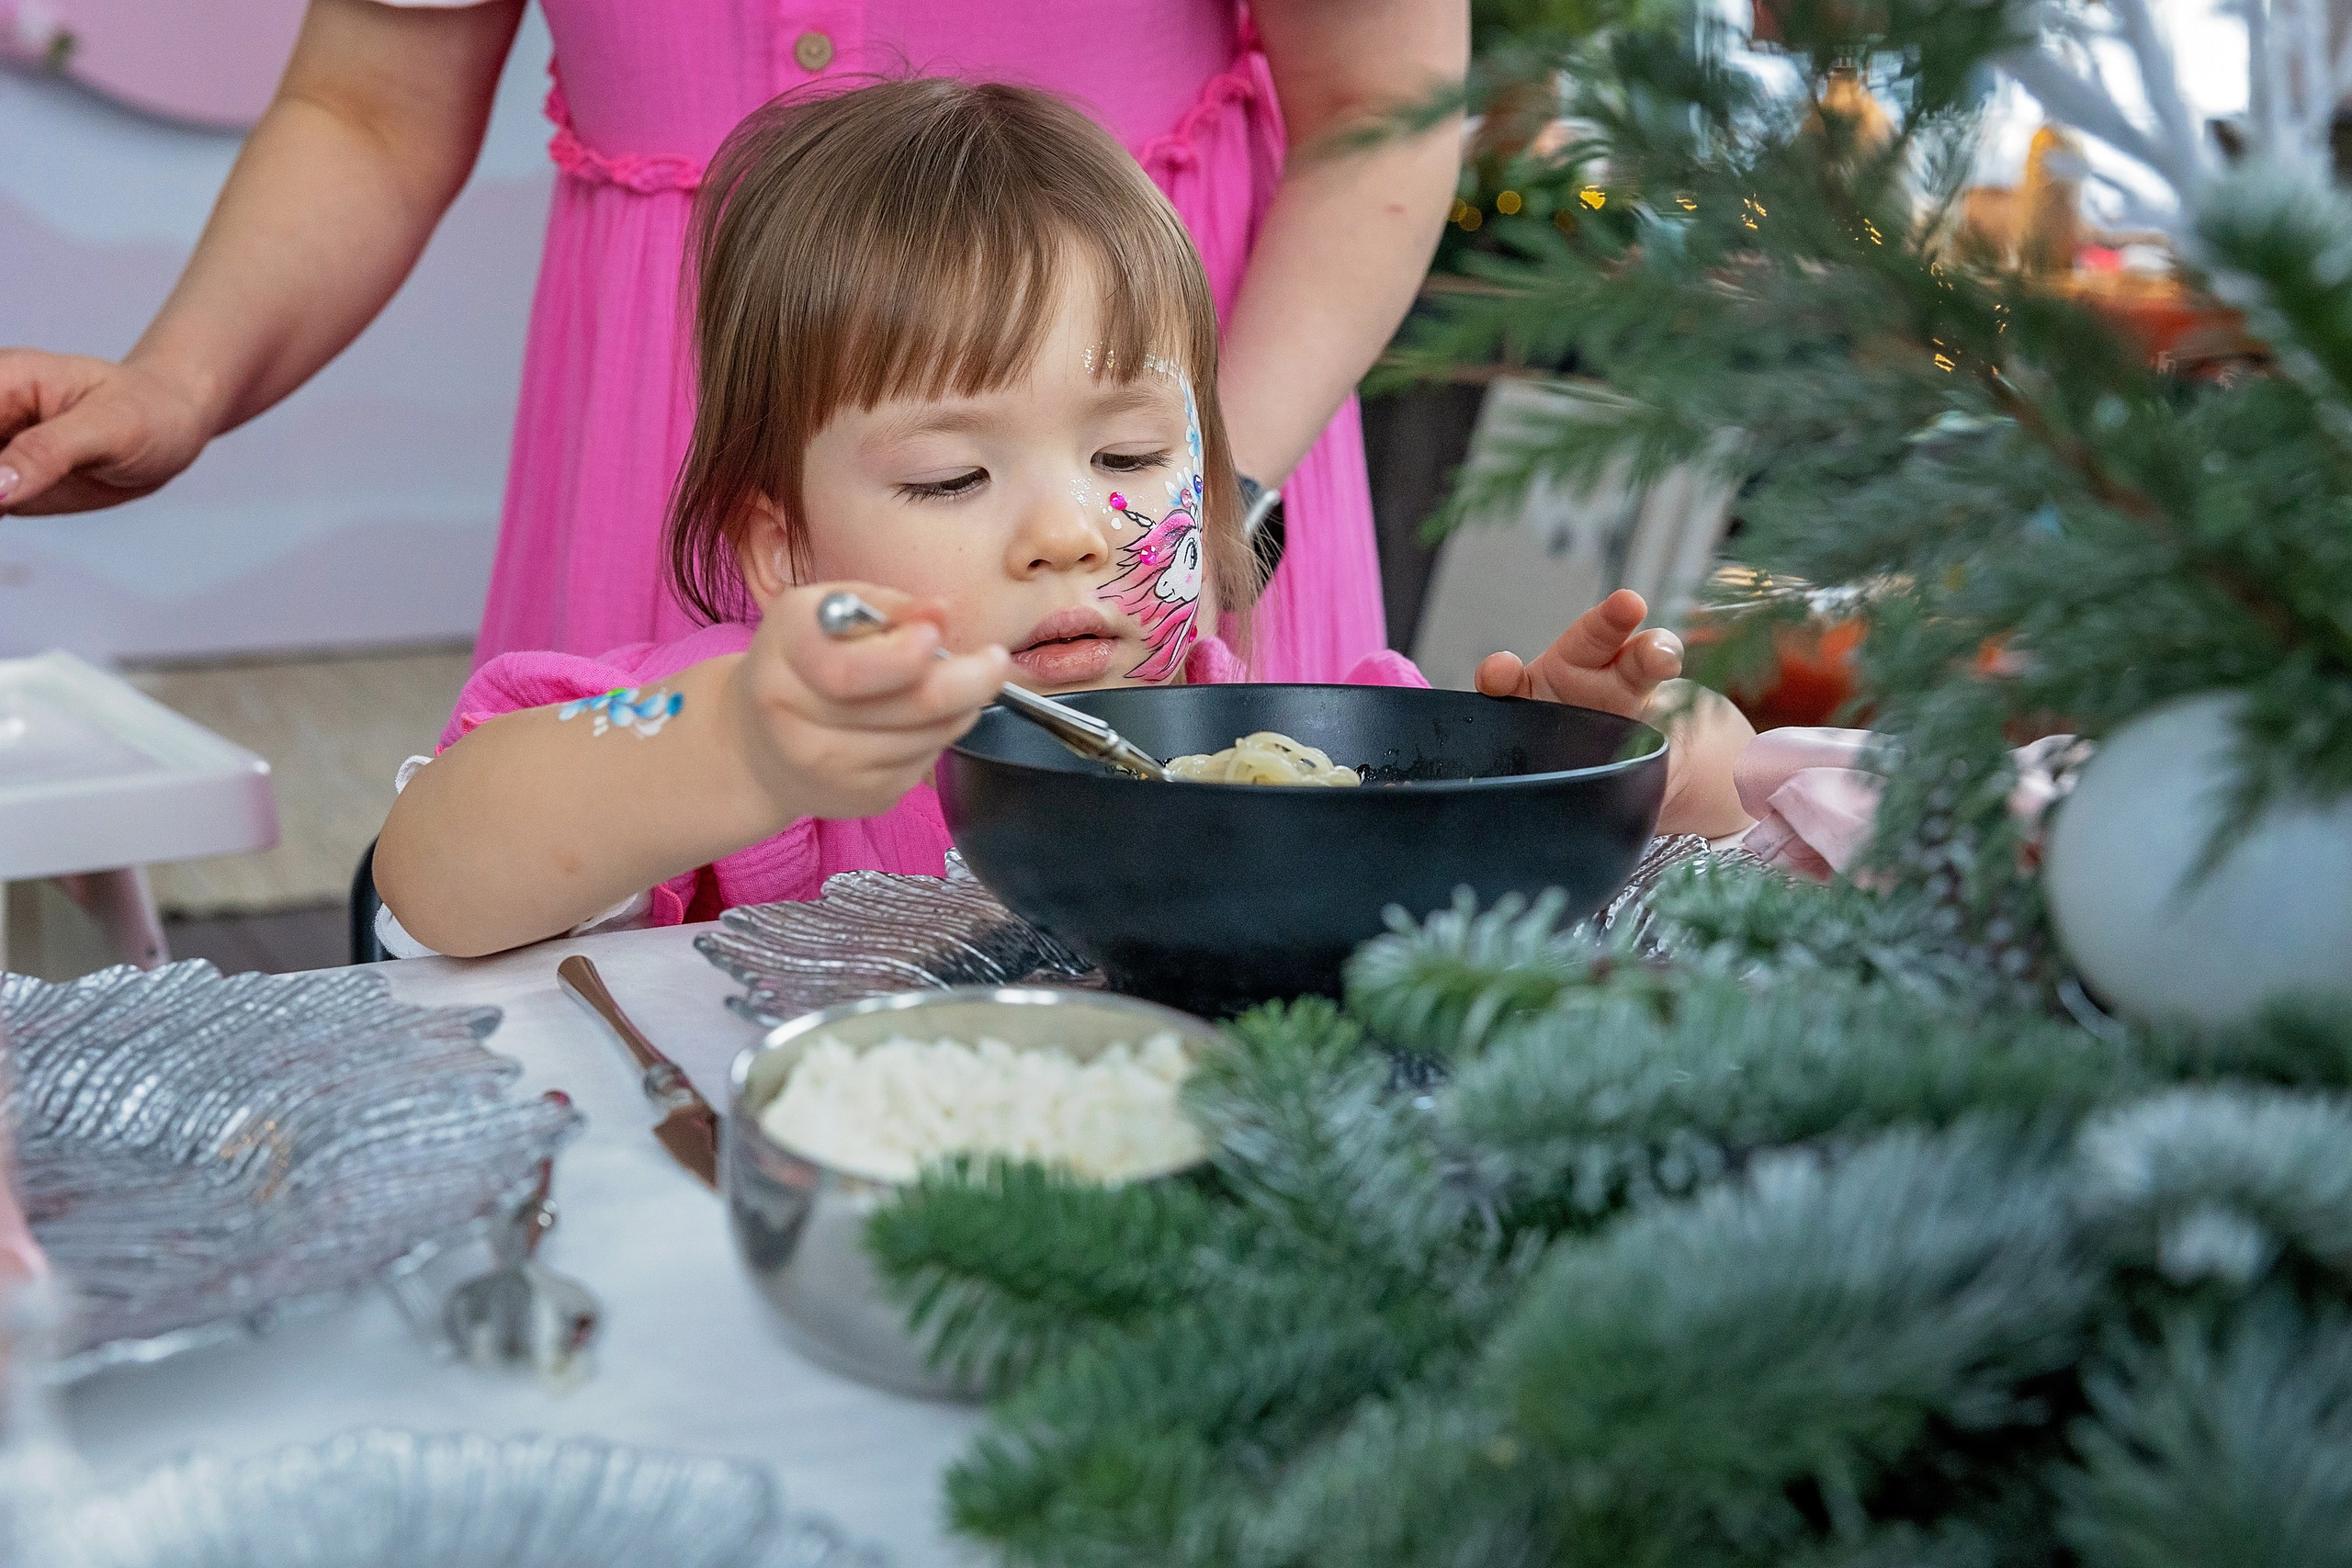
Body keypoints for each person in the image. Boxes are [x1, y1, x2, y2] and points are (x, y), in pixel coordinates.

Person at [373, 80, 1754, 958]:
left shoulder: (1306, 729)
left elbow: (1674, 842)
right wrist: (738, 747)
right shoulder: (744, 730)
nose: (1071, 535)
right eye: (949, 479)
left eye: (1135, 452)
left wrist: (1608, 763)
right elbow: (432, 877)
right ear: (783, 546)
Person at [0, 0, 1466, 680]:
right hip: (677, 457)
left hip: (1157, 462)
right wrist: (180, 381)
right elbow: (371, 109)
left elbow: (1380, 110)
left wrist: (1209, 501)